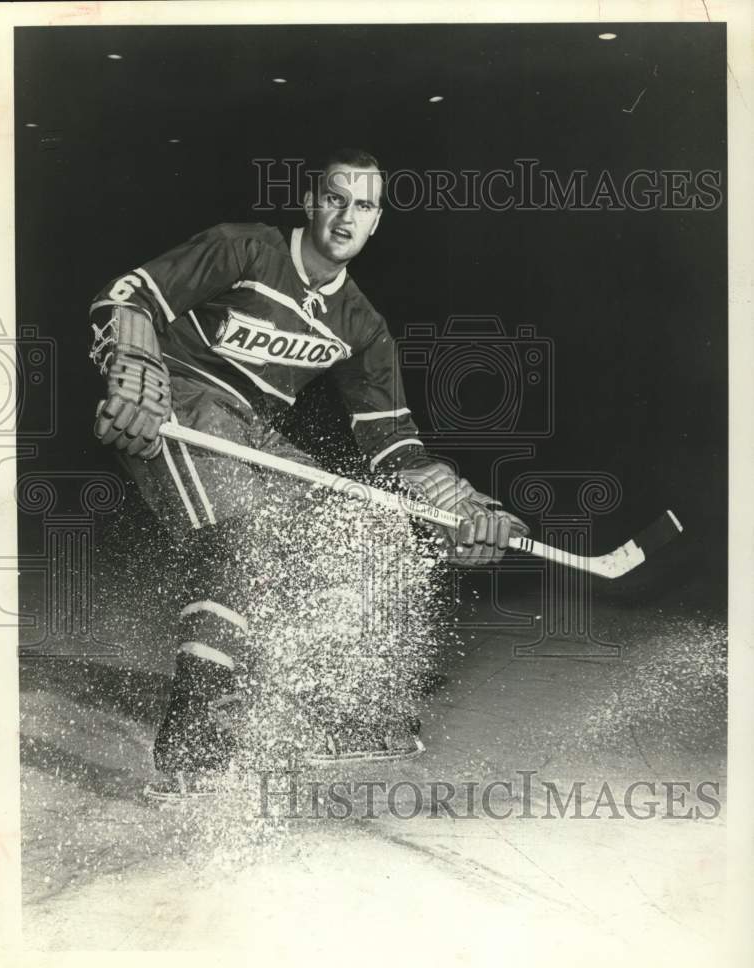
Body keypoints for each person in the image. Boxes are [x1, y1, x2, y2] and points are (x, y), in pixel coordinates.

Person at [88, 147, 528, 797]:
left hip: (252, 429)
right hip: (179, 403)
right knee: (241, 543)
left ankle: (344, 711)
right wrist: (133, 365)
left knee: (366, 521)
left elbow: (392, 444)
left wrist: (456, 505)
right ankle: (191, 740)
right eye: (336, 198)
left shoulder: (362, 325)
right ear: (311, 201)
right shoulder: (247, 249)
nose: (347, 216)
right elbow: (128, 296)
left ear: (377, 221)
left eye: (365, 205)